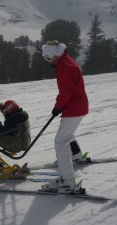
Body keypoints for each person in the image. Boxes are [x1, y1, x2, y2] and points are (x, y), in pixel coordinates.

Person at [41, 40, 89, 190]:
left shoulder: (64, 67)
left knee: (61, 141)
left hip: (74, 107)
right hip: (77, 105)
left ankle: (67, 179)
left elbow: (65, 93)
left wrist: (58, 107)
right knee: (67, 135)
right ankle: (76, 155)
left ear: (55, 54)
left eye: (49, 58)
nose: (49, 62)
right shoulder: (66, 59)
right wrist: (62, 106)